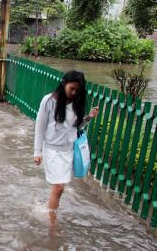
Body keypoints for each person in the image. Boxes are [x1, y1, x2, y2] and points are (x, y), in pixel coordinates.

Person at [33, 70, 99, 237]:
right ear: (63, 84)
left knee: (60, 189)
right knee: (58, 187)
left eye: (78, 89)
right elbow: (39, 127)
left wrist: (88, 117)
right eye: (72, 88)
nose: (74, 92)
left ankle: (50, 210)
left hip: (67, 150)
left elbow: (76, 129)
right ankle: (52, 222)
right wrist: (37, 151)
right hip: (52, 150)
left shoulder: (77, 102)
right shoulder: (48, 101)